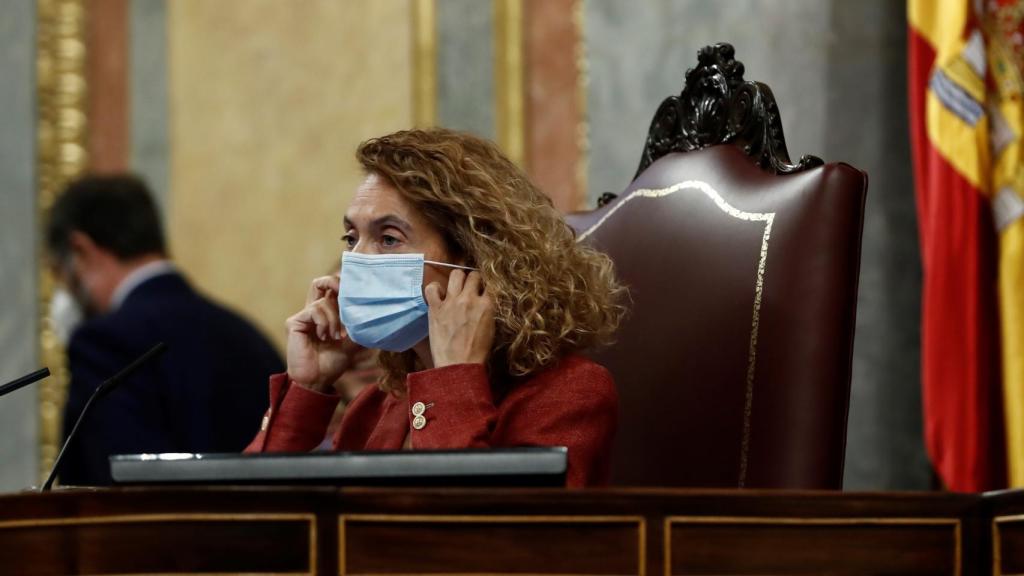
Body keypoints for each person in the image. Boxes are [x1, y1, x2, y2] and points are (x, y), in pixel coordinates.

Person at [246, 128, 626, 487]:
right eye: (351, 237)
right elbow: (239, 517)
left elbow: (475, 536)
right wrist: (308, 386)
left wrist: (455, 380)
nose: (355, 262)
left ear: (476, 259)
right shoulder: (380, 404)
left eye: (389, 239)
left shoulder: (570, 393)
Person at [46, 174, 284, 485]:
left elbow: (106, 485)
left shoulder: (103, 342)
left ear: (80, 250)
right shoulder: (247, 336)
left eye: (60, 273)